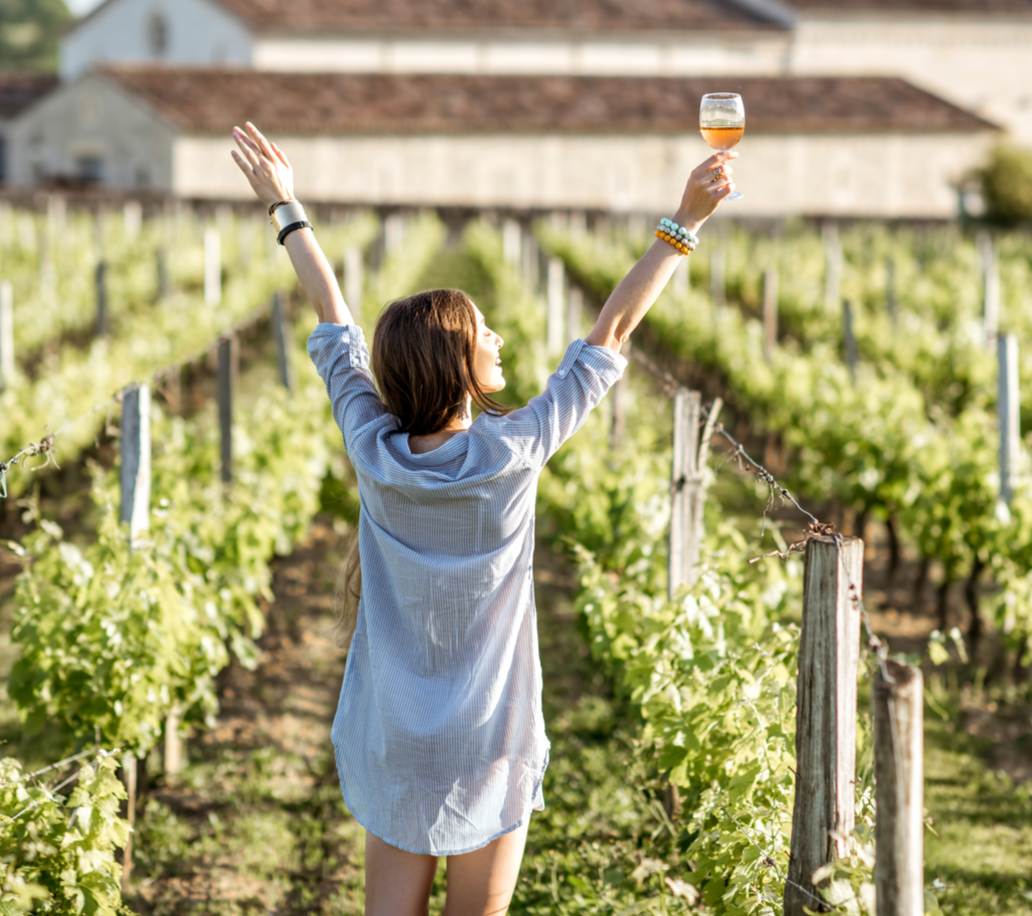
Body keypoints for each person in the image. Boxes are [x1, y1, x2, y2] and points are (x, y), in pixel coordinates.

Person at [229, 123, 735, 916]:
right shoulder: (517, 448)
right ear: (458, 364)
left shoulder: (373, 446)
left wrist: (285, 206)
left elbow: (333, 321)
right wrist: (685, 223)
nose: (497, 337)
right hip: (489, 743)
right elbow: (612, 334)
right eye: (481, 331)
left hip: (394, 734)